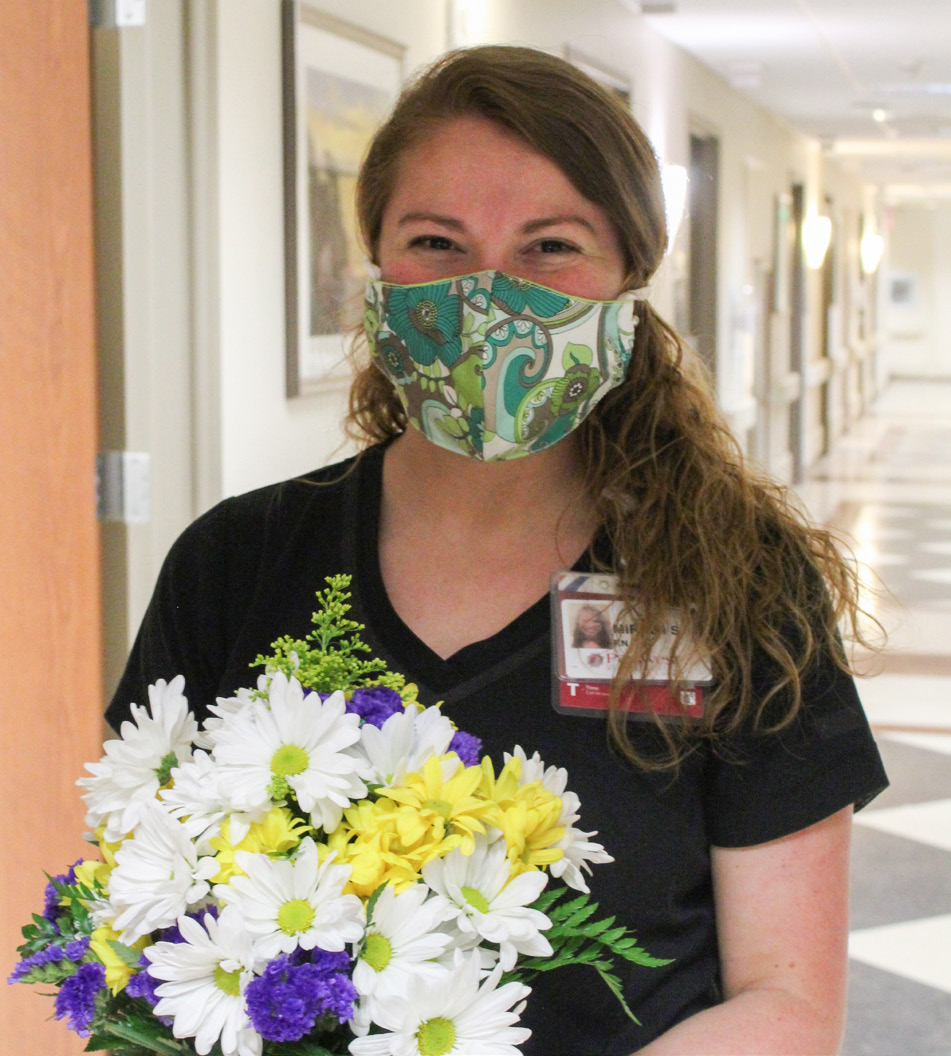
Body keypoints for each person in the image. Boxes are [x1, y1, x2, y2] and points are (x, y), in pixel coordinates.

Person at [108, 45, 887, 1055]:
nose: (488, 295)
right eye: (437, 240)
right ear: (376, 267)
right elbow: (145, 917)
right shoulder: (236, 563)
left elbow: (788, 1006)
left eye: (550, 246)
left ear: (627, 283)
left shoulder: (732, 580)